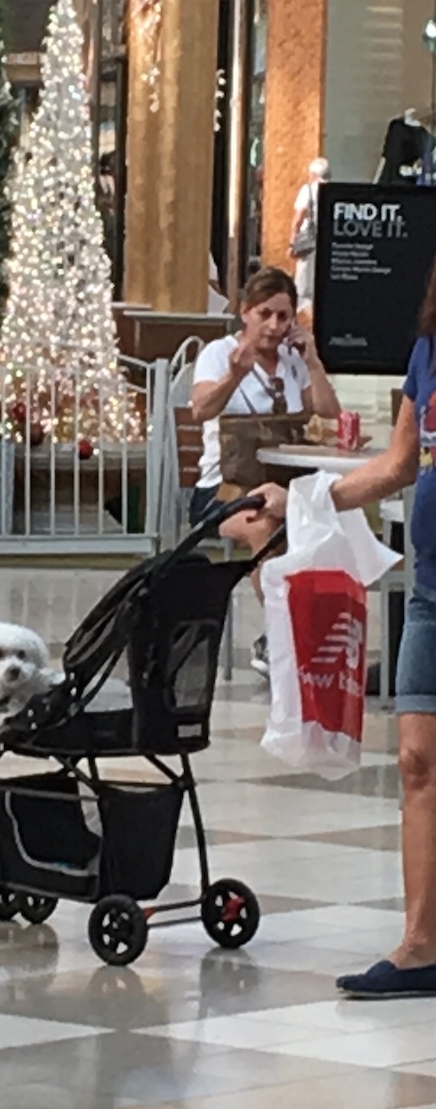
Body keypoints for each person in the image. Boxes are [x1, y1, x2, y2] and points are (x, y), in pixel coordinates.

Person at [251, 262, 436, 998]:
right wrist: (307, 498)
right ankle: (421, 945)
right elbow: (400, 464)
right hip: (431, 590)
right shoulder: (428, 351)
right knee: (417, 760)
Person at [189, 266, 341, 676]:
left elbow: (330, 413)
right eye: (265, 314)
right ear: (245, 312)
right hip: (224, 489)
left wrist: (313, 362)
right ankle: (282, 637)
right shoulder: (220, 353)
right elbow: (200, 409)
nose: (274, 326)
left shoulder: (291, 360)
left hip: (284, 485)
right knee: (267, 528)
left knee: (329, 521)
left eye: (283, 316)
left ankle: (307, 633)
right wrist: (234, 375)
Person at [290, 157, 330, 319]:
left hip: (309, 241)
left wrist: (292, 240)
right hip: (326, 240)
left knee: (303, 282)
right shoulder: (332, 190)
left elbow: (299, 216)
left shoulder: (308, 190)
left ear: (312, 174)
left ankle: (303, 316)